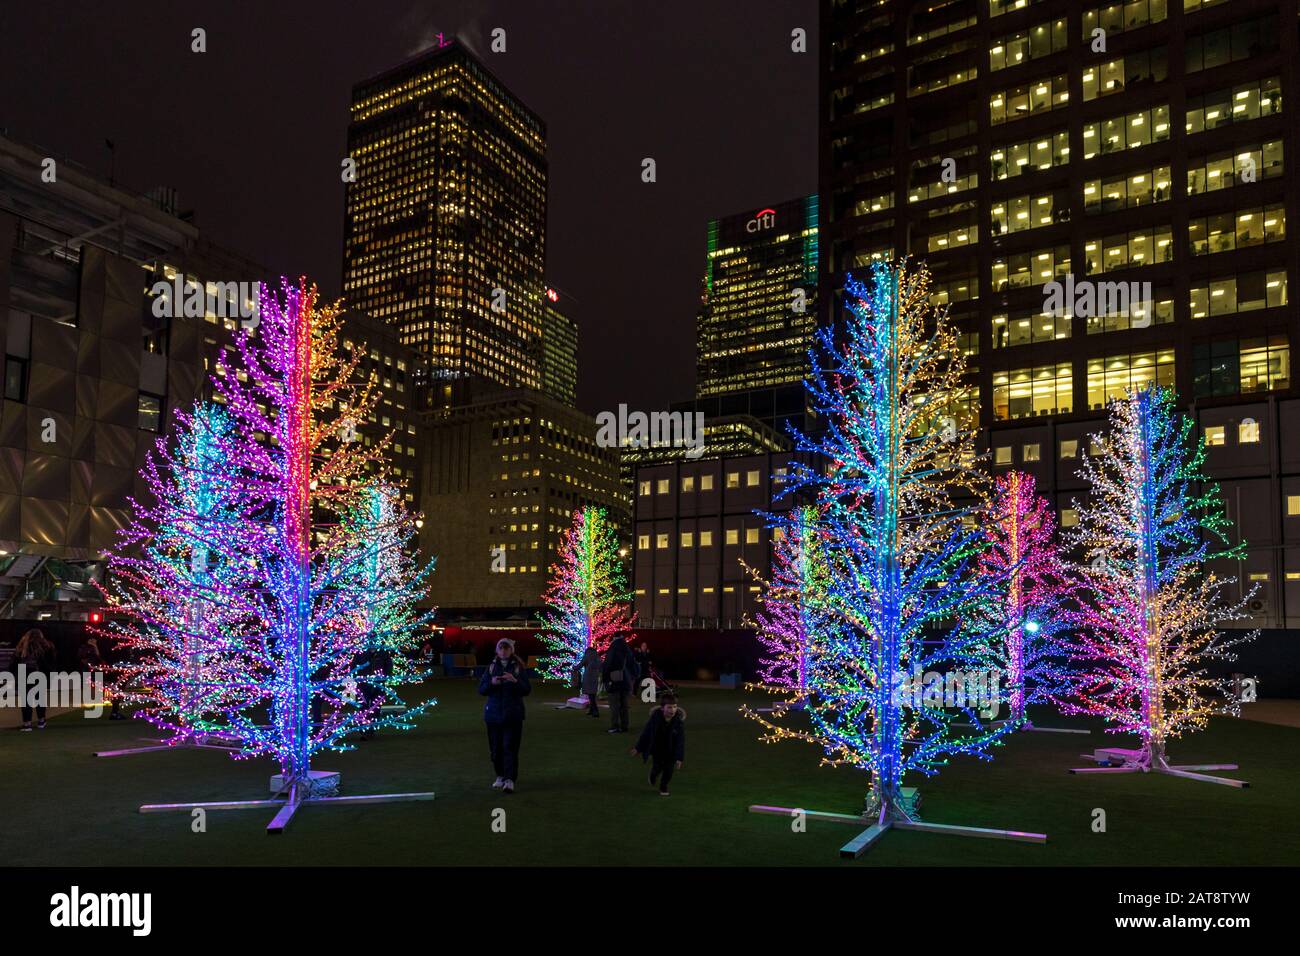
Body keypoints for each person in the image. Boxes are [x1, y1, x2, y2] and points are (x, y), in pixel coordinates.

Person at [478, 637, 531, 793]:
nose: (503, 651)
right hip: (493, 715)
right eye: (501, 648)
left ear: (511, 650)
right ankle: (500, 775)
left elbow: (527, 690)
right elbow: (481, 690)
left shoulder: (518, 668)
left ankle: (509, 779)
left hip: (513, 714)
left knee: (510, 747)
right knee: (495, 749)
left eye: (506, 648)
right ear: (497, 651)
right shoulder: (491, 667)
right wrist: (492, 683)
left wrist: (514, 681)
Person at [631, 693, 686, 796]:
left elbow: (680, 740)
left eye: (674, 707)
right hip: (658, 750)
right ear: (662, 708)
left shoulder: (678, 722)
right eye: (669, 707)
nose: (672, 710)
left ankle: (663, 786)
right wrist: (638, 748)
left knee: (669, 770)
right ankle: (653, 774)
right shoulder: (655, 719)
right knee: (658, 767)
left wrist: (679, 757)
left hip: (671, 751)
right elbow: (646, 734)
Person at [15, 628, 56, 732]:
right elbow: (51, 661)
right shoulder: (46, 645)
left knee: (26, 700)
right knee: (39, 699)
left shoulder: (22, 646)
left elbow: (14, 662)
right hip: (39, 674)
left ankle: (27, 724)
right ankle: (41, 721)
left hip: (24, 674)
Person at [602, 634, 636, 734]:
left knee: (614, 705)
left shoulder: (613, 648)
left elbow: (608, 664)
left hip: (615, 680)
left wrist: (605, 678)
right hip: (626, 681)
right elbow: (633, 665)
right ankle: (625, 725)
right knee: (624, 705)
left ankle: (615, 726)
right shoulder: (628, 649)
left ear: (614, 638)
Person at [579, 646, 601, 717]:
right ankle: (592, 710)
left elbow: (581, 664)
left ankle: (595, 711)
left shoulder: (587, 656)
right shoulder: (597, 657)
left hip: (588, 677)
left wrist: (574, 668)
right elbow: (601, 666)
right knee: (592, 694)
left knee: (590, 695)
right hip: (595, 677)